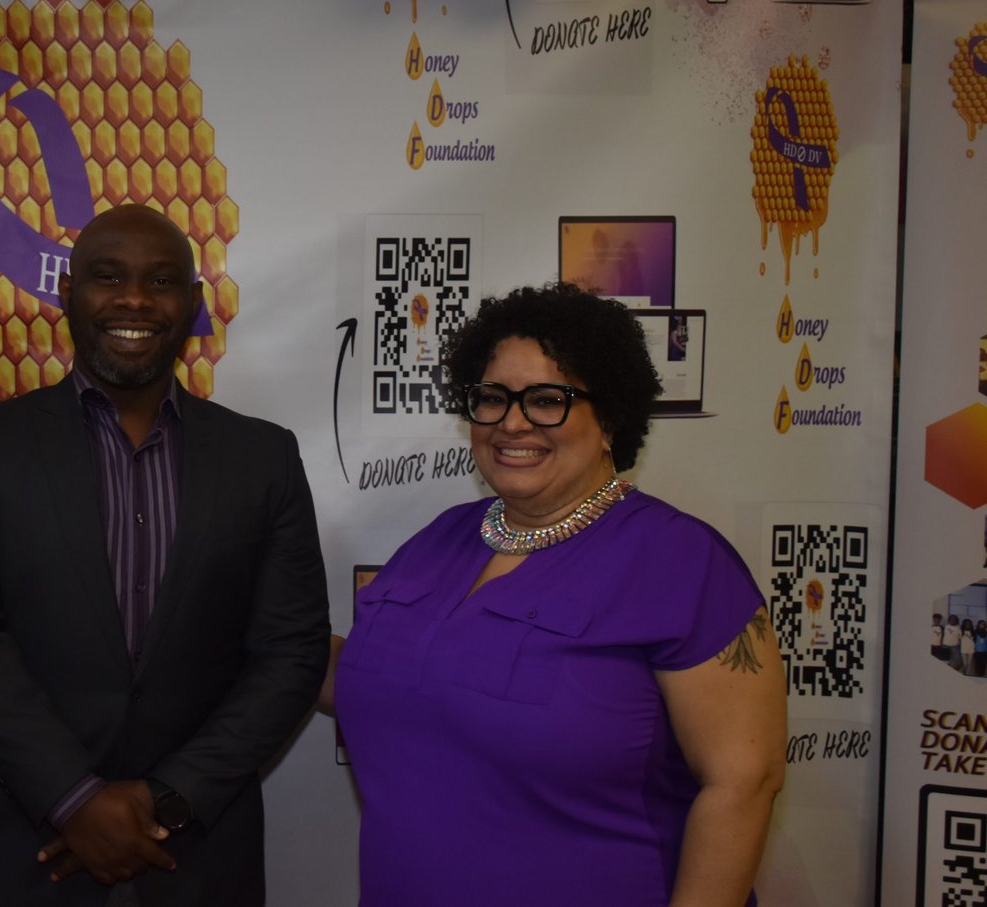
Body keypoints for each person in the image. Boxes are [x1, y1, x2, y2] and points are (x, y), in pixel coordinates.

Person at [326, 282, 786, 906]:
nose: (512, 422)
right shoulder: (437, 542)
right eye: (493, 398)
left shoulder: (681, 563)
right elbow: (380, 679)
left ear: (610, 421)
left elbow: (743, 783)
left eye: (548, 400)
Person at [0, 205, 330, 905]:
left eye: (161, 281)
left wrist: (168, 798)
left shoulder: (264, 457)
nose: (134, 300)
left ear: (192, 304)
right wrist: (72, 797)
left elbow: (292, 649)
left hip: (197, 852)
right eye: (108, 277)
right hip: (27, 849)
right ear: (67, 292)